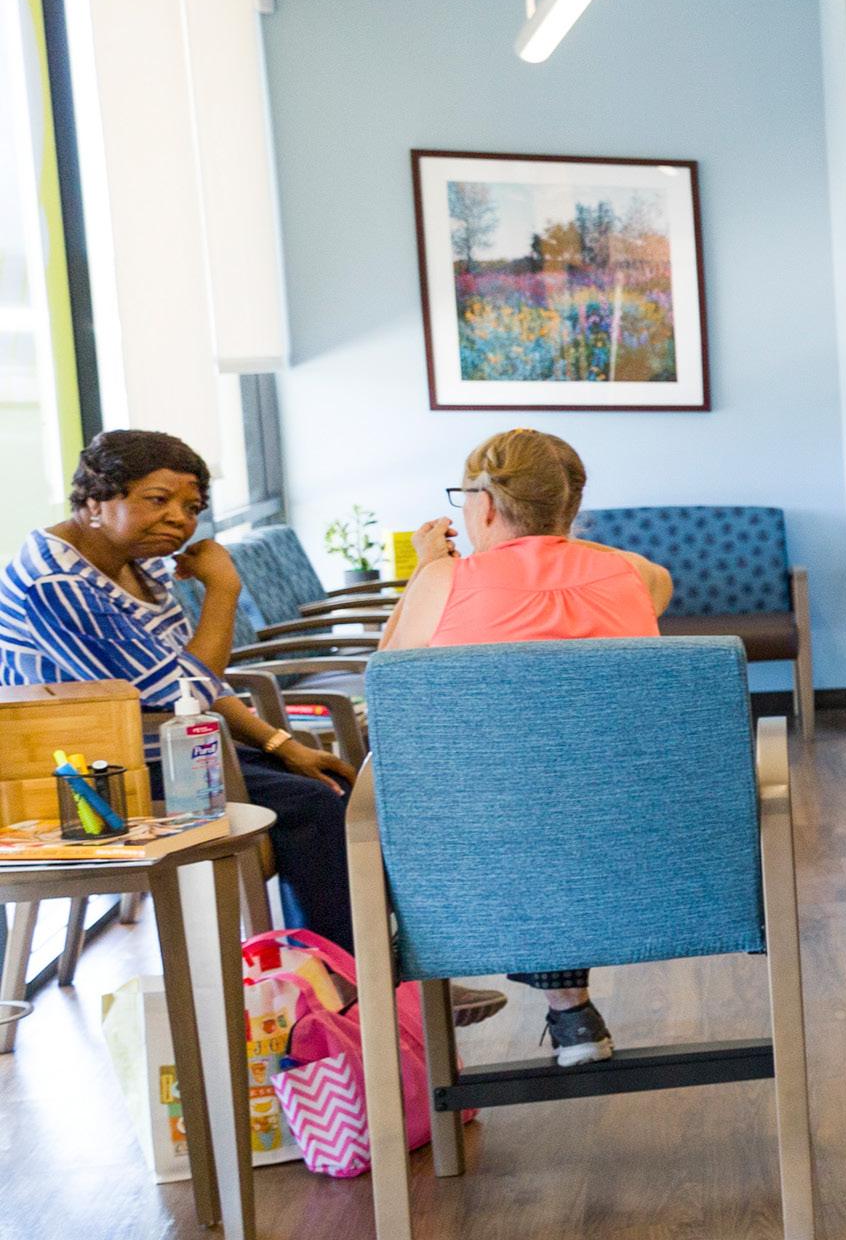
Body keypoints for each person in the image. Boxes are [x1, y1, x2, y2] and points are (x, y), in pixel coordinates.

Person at [377, 429, 670, 1066]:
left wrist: (427, 566)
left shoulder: (443, 582)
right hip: (646, 841)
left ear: (483, 505)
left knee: (513, 789)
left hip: (488, 850)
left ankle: (364, 999)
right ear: (570, 506)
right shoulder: (640, 576)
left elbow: (388, 681)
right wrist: (554, 536)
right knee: (564, 784)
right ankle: (570, 1010)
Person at [0, 431, 356, 945]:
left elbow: (190, 682)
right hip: (93, 779)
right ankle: (340, 971)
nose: (178, 520)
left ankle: (349, 959)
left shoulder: (134, 563)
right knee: (312, 805)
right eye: (157, 500)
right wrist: (224, 589)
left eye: (191, 508)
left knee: (333, 785)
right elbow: (181, 690)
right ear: (95, 501)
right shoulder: (57, 582)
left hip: (167, 750)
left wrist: (282, 744)